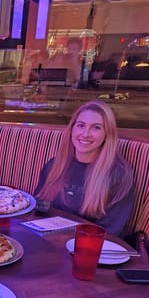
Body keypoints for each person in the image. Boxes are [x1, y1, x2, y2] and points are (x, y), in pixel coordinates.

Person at [34, 100, 134, 236]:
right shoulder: (53, 165)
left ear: (107, 135)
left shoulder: (119, 175)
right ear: (72, 129)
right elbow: (38, 210)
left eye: (96, 127)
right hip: (47, 242)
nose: (86, 134)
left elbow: (111, 233)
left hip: (88, 249)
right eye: (81, 125)